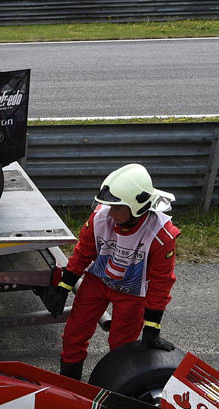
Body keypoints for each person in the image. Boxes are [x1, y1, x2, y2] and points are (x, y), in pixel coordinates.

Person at [47, 163, 180, 380]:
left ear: (138, 206)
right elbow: (83, 253)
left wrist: (152, 326)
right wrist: (64, 286)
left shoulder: (161, 235)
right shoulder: (99, 219)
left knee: (122, 347)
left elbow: (161, 281)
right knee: (74, 335)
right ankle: (69, 386)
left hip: (133, 293)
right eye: (109, 206)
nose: (111, 212)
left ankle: (114, 391)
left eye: (117, 207)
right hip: (97, 282)